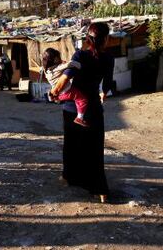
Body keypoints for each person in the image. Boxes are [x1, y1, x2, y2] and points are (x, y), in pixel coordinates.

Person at [51, 22, 114, 203]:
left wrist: (54, 92)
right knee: (94, 150)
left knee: (72, 144)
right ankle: (100, 190)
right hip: (93, 108)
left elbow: (66, 77)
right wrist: (102, 94)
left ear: (88, 38)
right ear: (106, 39)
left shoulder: (80, 55)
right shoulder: (109, 58)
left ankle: (69, 177)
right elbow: (107, 86)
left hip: (72, 108)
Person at [43, 48, 88, 127]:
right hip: (67, 91)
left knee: (77, 99)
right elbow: (71, 64)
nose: (60, 59)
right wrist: (80, 66)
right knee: (82, 100)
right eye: (58, 57)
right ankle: (79, 118)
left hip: (61, 92)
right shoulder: (58, 68)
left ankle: (57, 98)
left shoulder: (47, 70)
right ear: (55, 59)